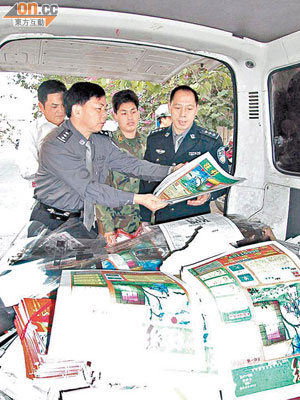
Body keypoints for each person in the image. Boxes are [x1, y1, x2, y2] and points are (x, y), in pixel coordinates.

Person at [29, 82, 179, 238]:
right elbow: (90, 189)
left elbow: (132, 165)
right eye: (98, 109)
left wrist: (171, 171)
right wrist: (138, 199)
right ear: (77, 111)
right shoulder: (56, 145)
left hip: (82, 221)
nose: (104, 115)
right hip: (52, 224)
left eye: (105, 109)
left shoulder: (99, 142)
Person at [139, 84, 229, 224]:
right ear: (169, 107)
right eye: (177, 107)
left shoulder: (209, 141)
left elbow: (223, 181)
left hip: (195, 218)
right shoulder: (155, 139)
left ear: (196, 109)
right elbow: (146, 180)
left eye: (189, 108)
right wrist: (144, 219)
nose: (183, 114)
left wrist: (208, 195)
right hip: (163, 218)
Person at [95, 89, 146, 243]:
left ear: (138, 113)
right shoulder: (107, 146)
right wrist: (108, 229)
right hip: (117, 225)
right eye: (124, 113)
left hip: (145, 222)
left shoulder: (148, 143)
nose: (130, 117)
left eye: (133, 111)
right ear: (115, 116)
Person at [18, 80, 67, 184]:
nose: (61, 110)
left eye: (63, 105)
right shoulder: (32, 131)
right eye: (54, 106)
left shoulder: (76, 126)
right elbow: (27, 168)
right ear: (41, 107)